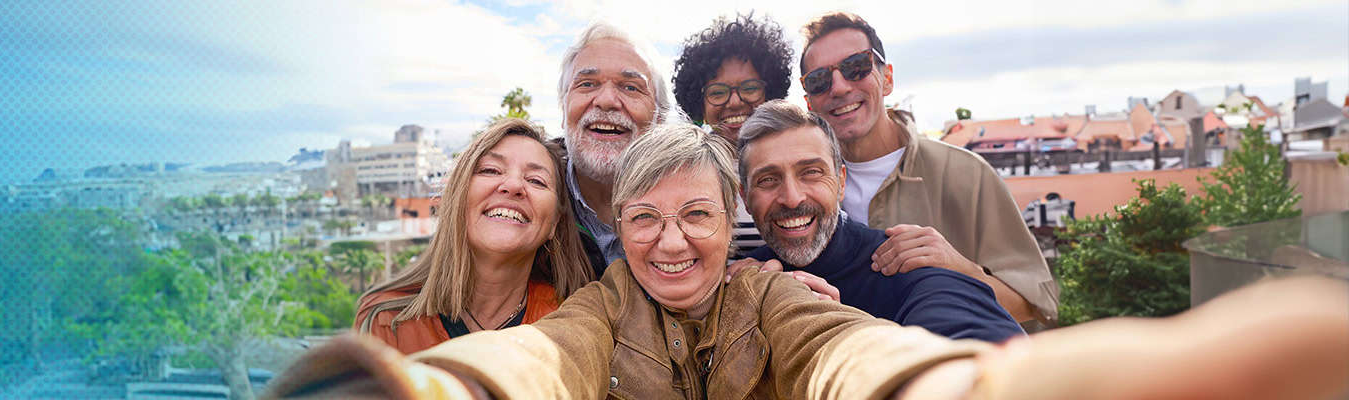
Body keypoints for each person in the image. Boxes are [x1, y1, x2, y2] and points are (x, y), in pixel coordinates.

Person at [265, 120, 1349, 400]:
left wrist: (971, 382)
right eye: (643, 219)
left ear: (731, 218)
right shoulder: (596, 310)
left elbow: (852, 353)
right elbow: (542, 355)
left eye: (697, 215)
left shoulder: (776, 292)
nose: (670, 242)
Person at [799, 11, 1058, 327]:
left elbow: (1034, 304)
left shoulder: (964, 174)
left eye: (856, 67)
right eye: (819, 80)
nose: (838, 87)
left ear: (887, 78)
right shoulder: (799, 191)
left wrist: (960, 269)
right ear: (809, 101)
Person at [734, 100, 1022, 342]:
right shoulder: (740, 283)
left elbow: (978, 352)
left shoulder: (904, 265)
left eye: (810, 172)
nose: (792, 198)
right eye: (768, 179)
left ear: (841, 182)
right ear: (745, 197)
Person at [353, 118, 595, 354]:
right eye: (490, 170)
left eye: (536, 180)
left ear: (554, 223)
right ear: (458, 199)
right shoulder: (386, 322)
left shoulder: (569, 326)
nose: (512, 185)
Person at [552, 21, 672, 276]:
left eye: (630, 87)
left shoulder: (694, 203)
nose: (606, 101)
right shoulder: (529, 198)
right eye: (587, 84)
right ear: (563, 110)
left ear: (659, 118)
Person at [672, 13, 797, 256]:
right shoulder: (682, 168)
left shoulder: (798, 158)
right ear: (701, 104)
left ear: (769, 92)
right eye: (718, 93)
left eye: (749, 88)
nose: (735, 102)